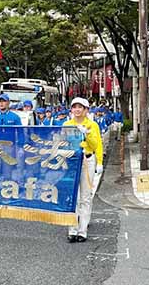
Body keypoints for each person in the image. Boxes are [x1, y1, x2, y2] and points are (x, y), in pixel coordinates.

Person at [64, 97, 103, 243]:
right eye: (75, 107)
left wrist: (99, 162)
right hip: (72, 161)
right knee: (72, 197)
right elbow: (62, 143)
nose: (77, 110)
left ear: (86, 110)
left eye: (81, 107)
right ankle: (72, 230)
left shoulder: (92, 125)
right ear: (71, 110)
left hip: (87, 160)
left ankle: (82, 230)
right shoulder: (67, 124)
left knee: (86, 196)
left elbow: (96, 145)